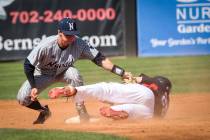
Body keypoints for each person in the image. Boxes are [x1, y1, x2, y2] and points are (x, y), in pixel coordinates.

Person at [17, 17, 132, 124]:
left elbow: (99, 59)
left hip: (64, 71)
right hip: (43, 74)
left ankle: (82, 114)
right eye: (68, 35)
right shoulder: (46, 46)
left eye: (73, 35)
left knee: (74, 75)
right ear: (59, 33)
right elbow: (28, 64)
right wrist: (33, 86)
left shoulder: (80, 43)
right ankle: (44, 111)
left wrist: (121, 72)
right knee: (22, 99)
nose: (71, 39)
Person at [49, 74, 172, 121]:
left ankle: (75, 90)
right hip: (149, 112)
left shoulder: (157, 82)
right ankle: (120, 111)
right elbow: (157, 119)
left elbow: (137, 79)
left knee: (108, 89)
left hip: (144, 92)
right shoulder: (166, 100)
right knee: (135, 113)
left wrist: (131, 78)